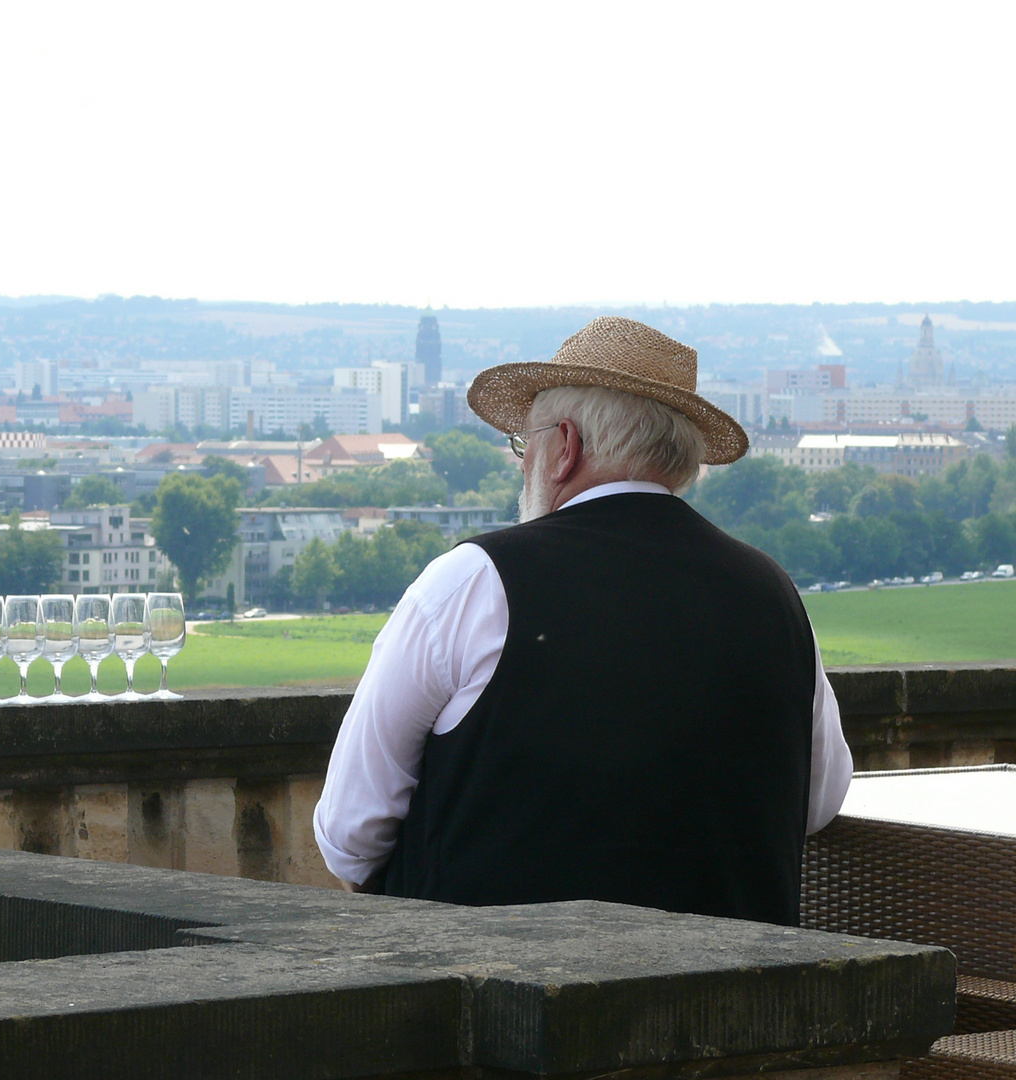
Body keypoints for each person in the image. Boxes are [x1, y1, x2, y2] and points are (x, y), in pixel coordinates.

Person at [313, 316, 851, 927]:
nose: (523, 466)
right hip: (732, 1009)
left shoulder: (473, 581)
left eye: (525, 445)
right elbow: (819, 800)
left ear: (565, 447)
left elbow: (349, 837)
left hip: (497, 1003)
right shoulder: (774, 594)